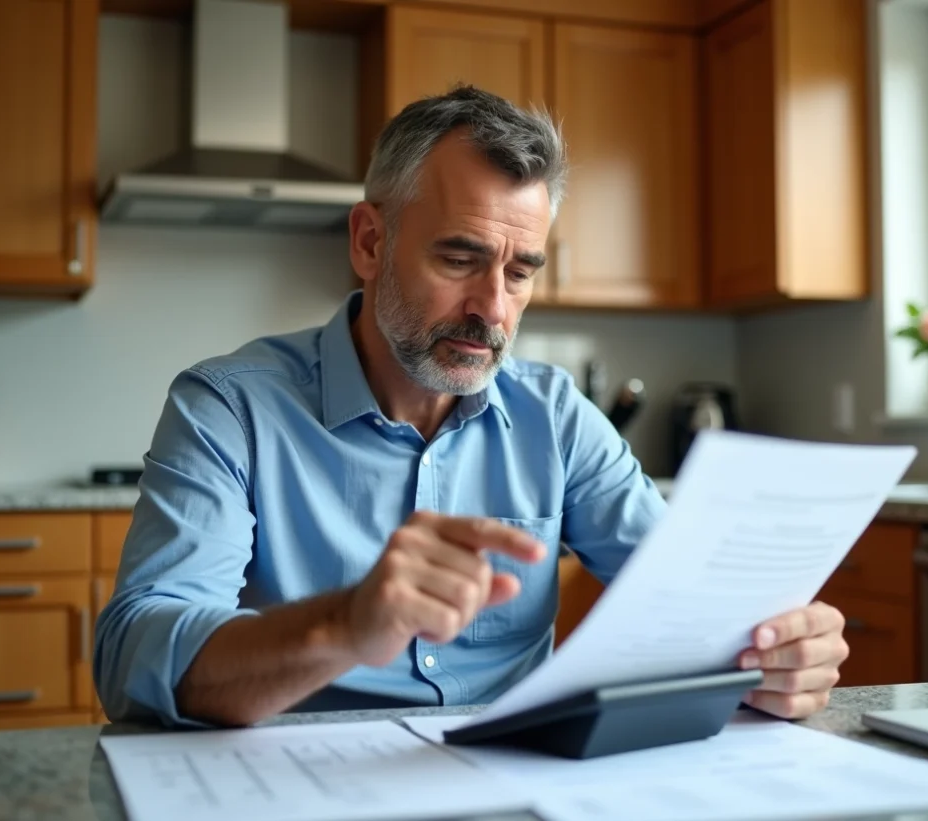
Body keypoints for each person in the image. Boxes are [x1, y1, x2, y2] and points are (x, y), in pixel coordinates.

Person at [93, 85, 848, 729]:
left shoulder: (555, 416)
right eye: (460, 258)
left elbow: (692, 599)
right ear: (368, 241)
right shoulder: (229, 407)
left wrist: (775, 650)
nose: (492, 308)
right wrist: (345, 624)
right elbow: (134, 655)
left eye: (521, 271)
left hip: (519, 782)